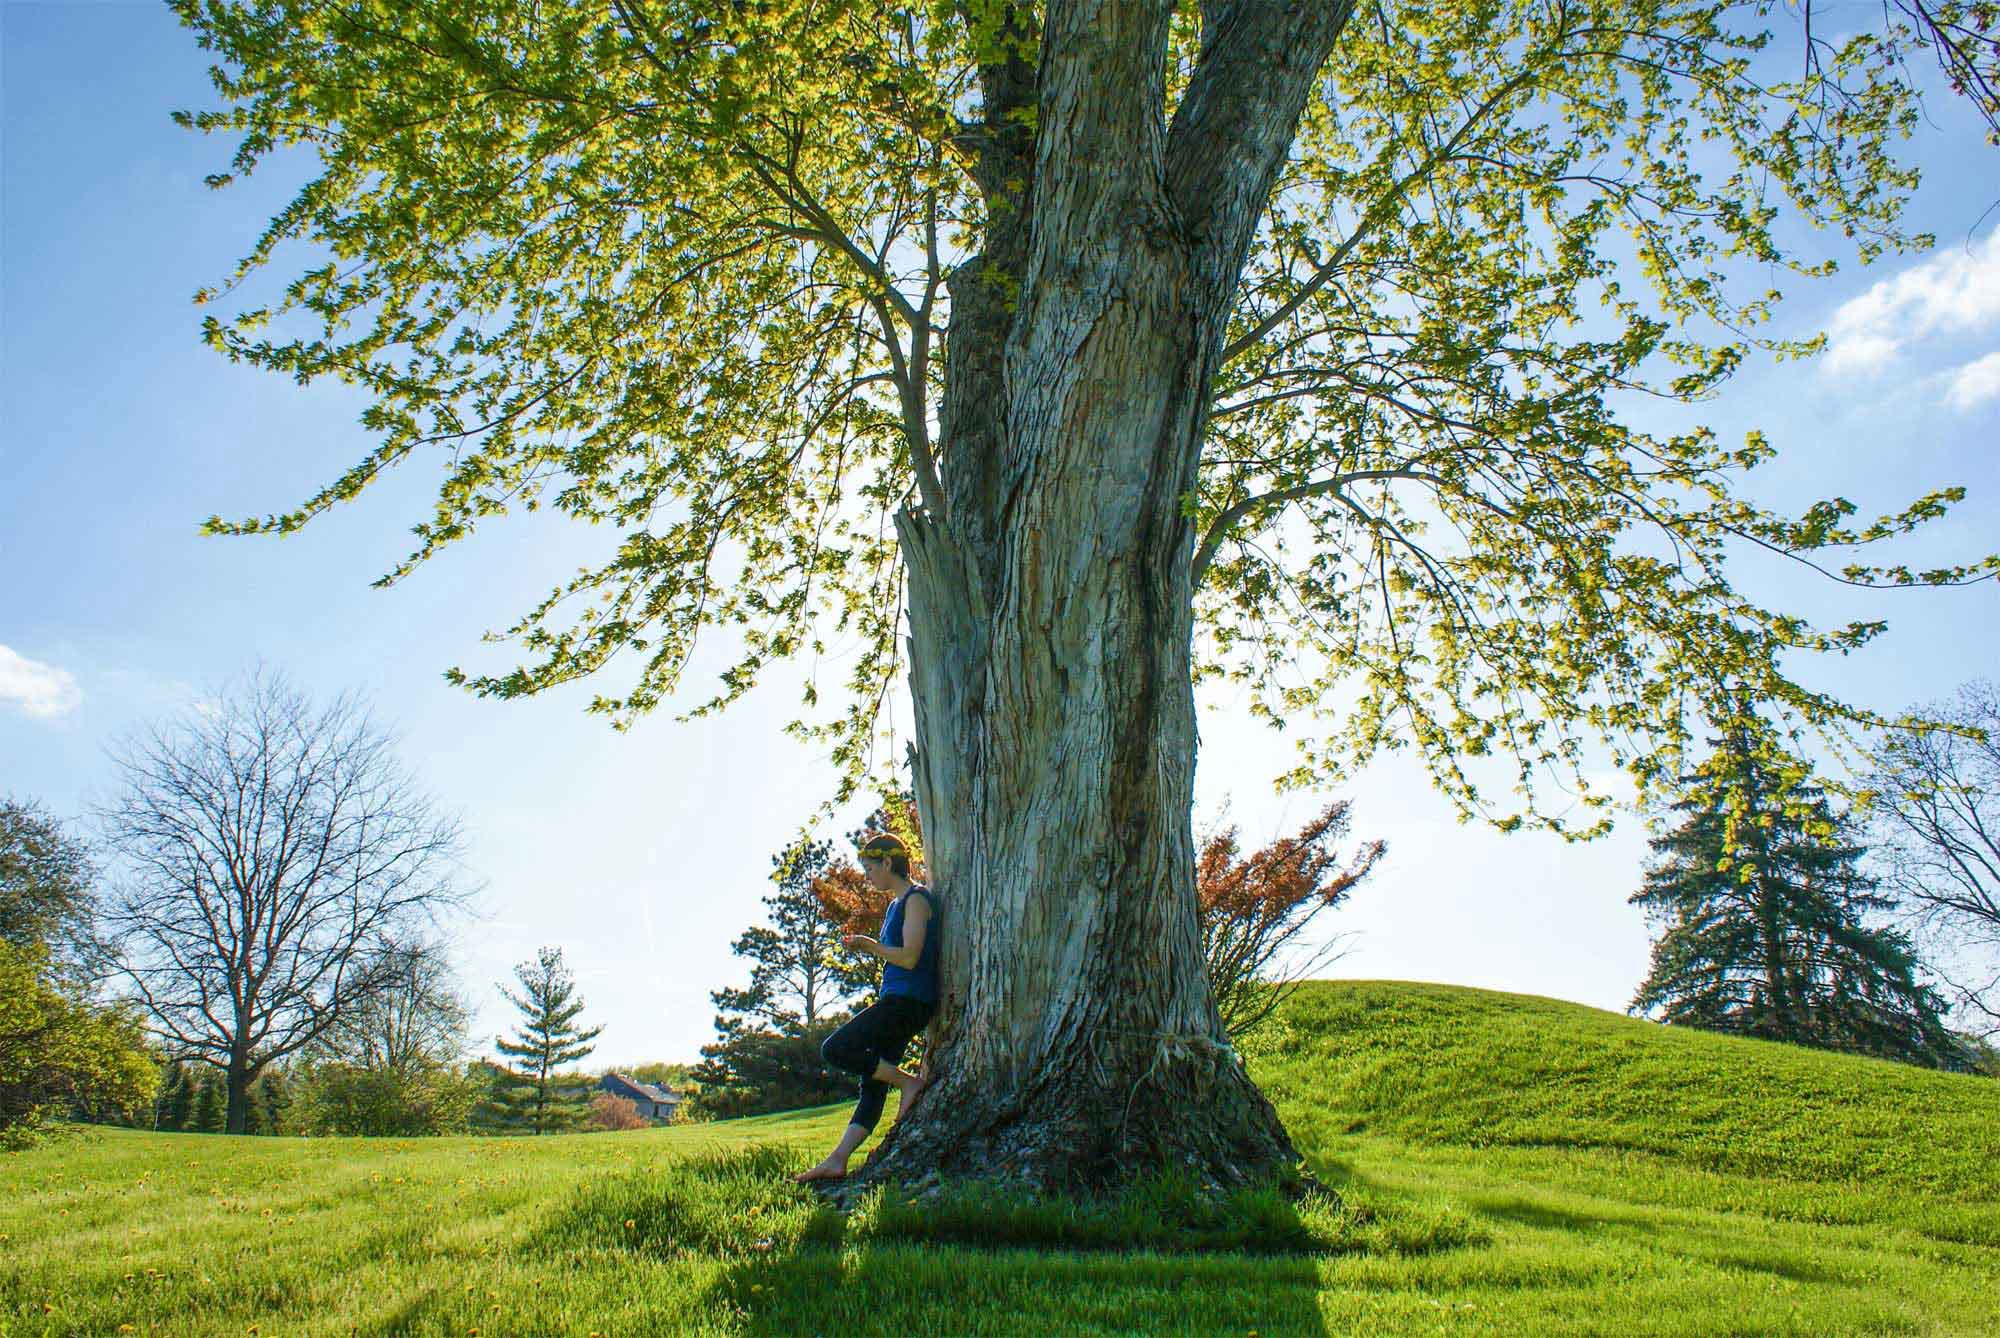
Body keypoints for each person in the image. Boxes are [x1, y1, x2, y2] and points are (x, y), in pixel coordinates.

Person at [793, 832, 940, 1184]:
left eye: (871, 867)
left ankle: (909, 1084)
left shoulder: (916, 901)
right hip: (897, 1000)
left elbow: (909, 957)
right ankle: (838, 1160)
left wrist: (868, 946)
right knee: (872, 1083)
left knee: (837, 1048)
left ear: (889, 863)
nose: (868, 875)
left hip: (909, 1002)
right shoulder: (893, 905)